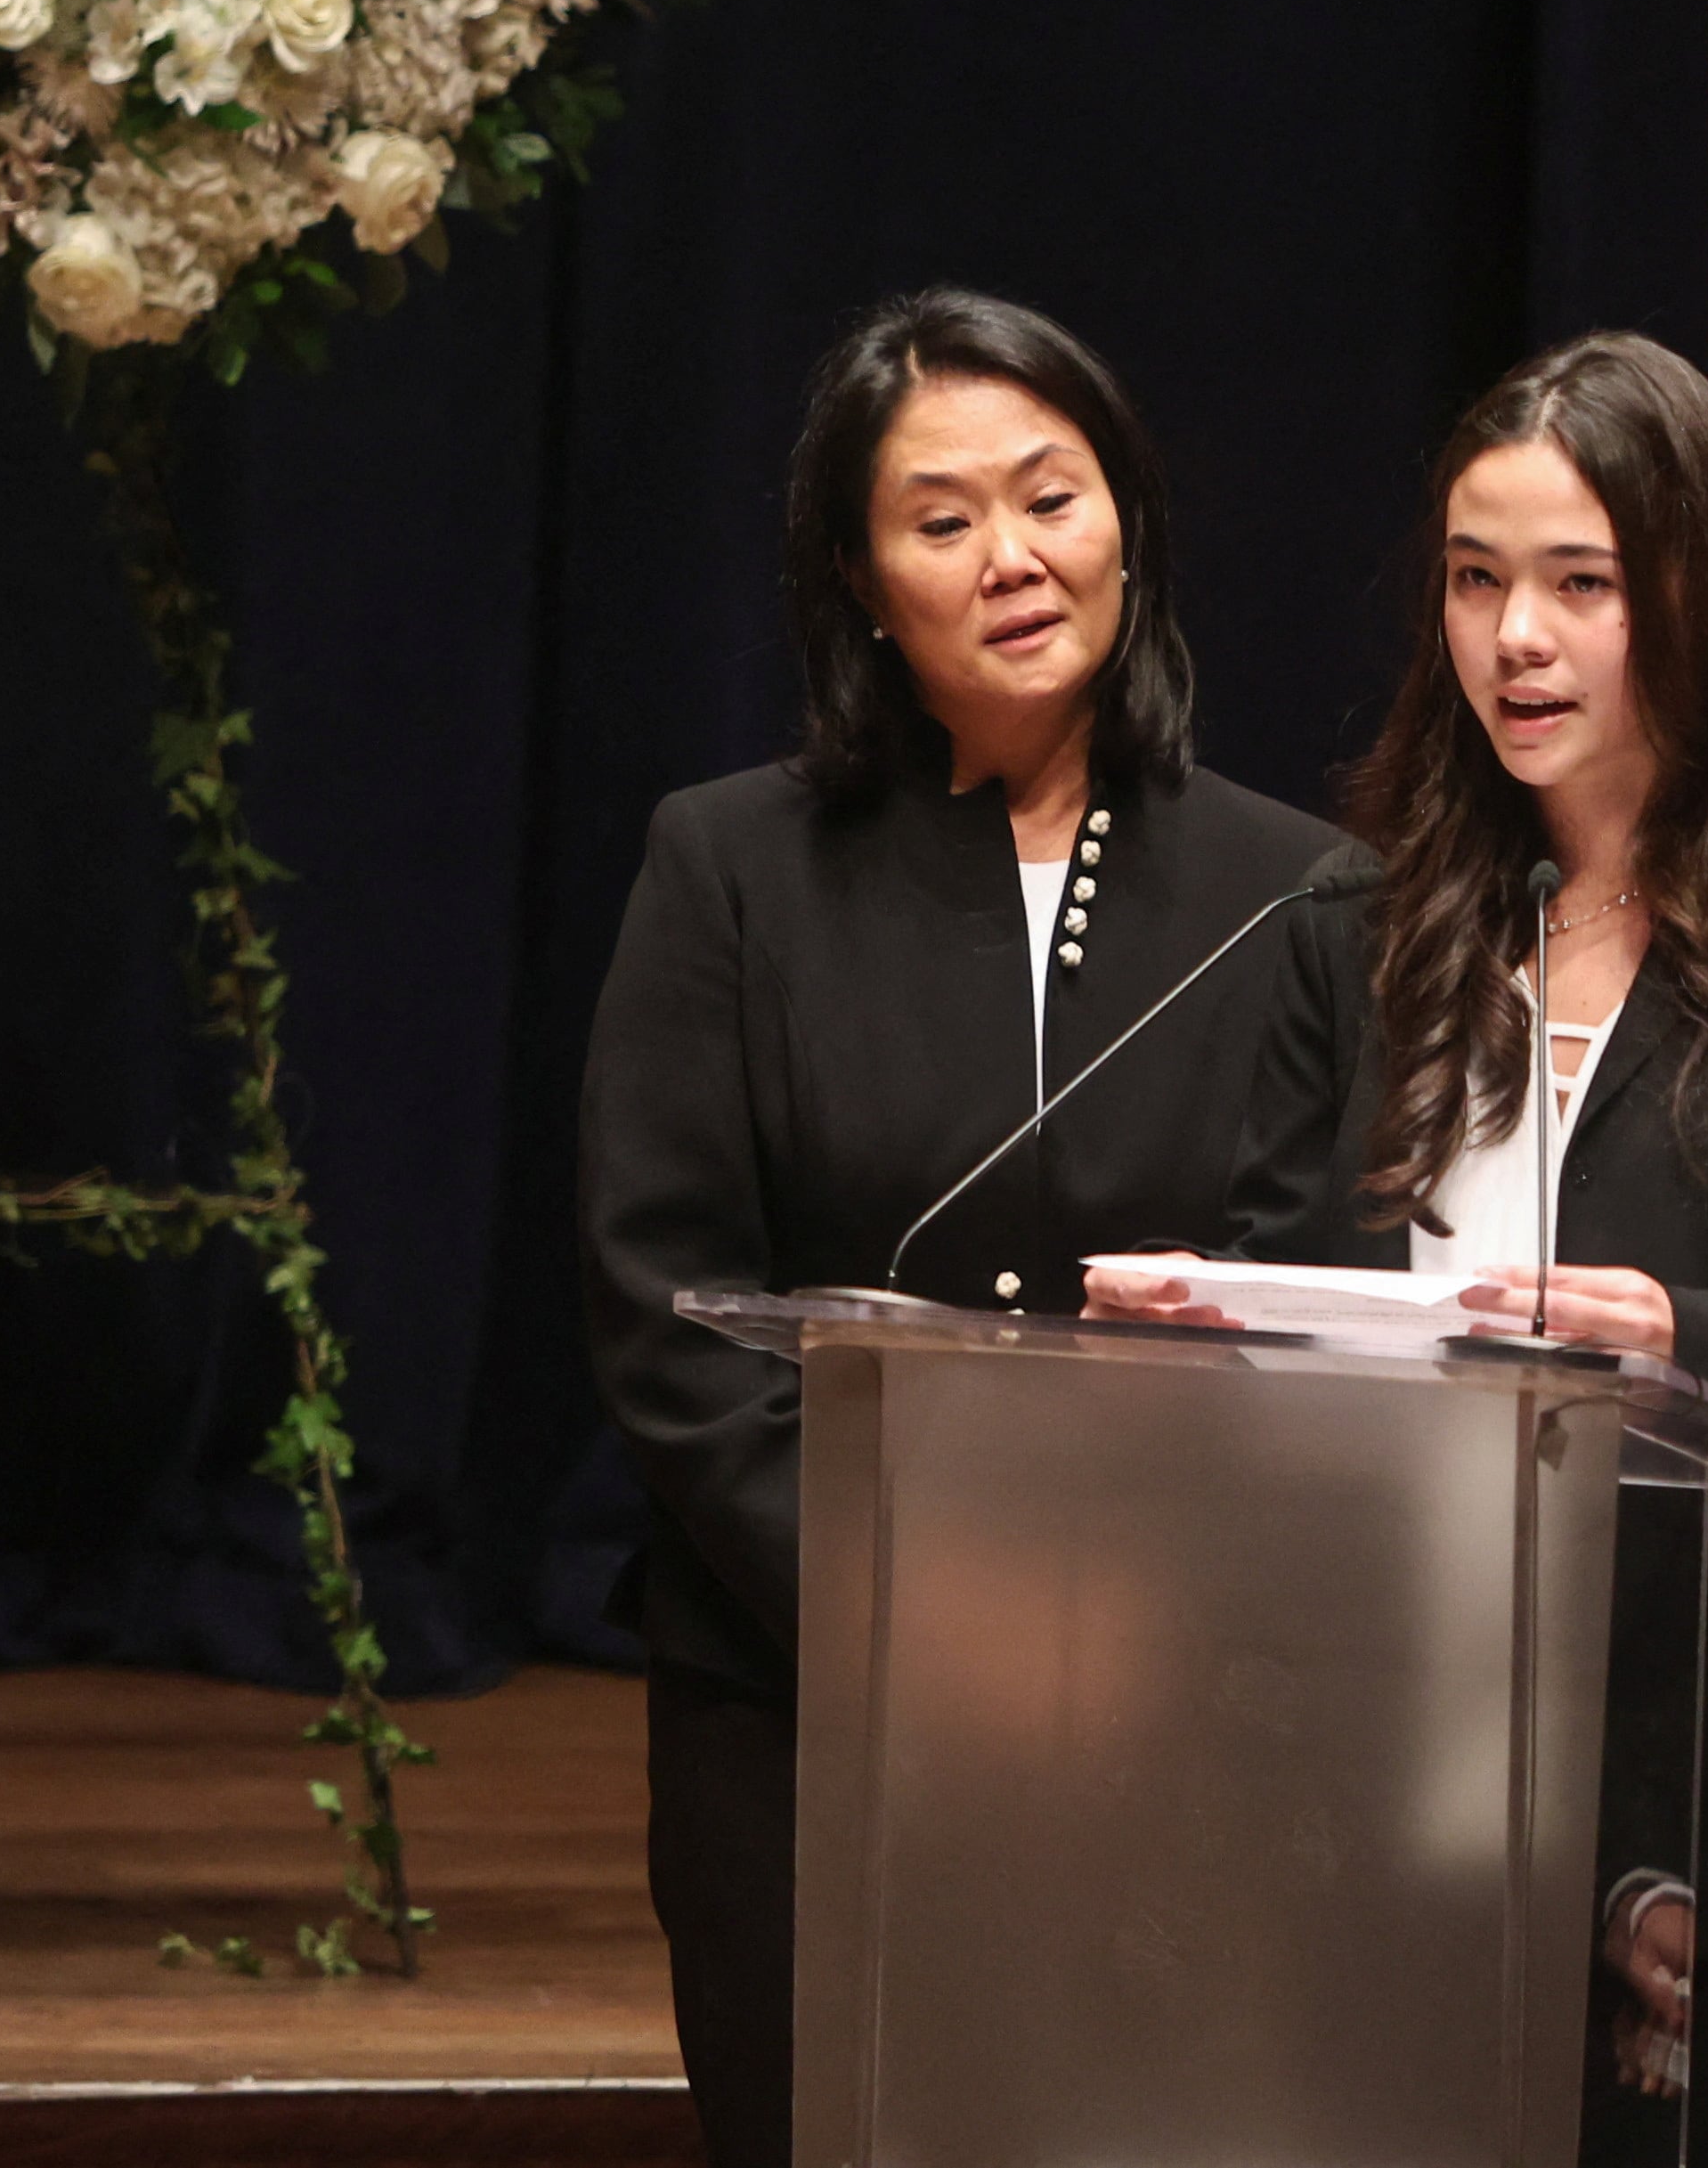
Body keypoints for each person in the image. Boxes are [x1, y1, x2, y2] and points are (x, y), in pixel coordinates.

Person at [1088, 330, 1708, 2164]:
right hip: (1382, 1785)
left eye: (1579, 583)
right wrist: (1211, 1327)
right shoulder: (1352, 932)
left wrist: (1687, 1336)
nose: (1514, 636)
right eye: (1474, 578)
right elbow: (1304, 1320)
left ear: (1697, 597)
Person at [579, 289, 1338, 2168]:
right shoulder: (727, 865)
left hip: (1180, 1730)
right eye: (940, 519)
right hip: (809, 1705)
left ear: (1127, 519)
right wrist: (930, 1609)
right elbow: (670, 1310)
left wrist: (1122, 1624)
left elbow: (1318, 1292)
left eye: (1050, 495)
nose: (1010, 556)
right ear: (858, 572)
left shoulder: (1308, 889)